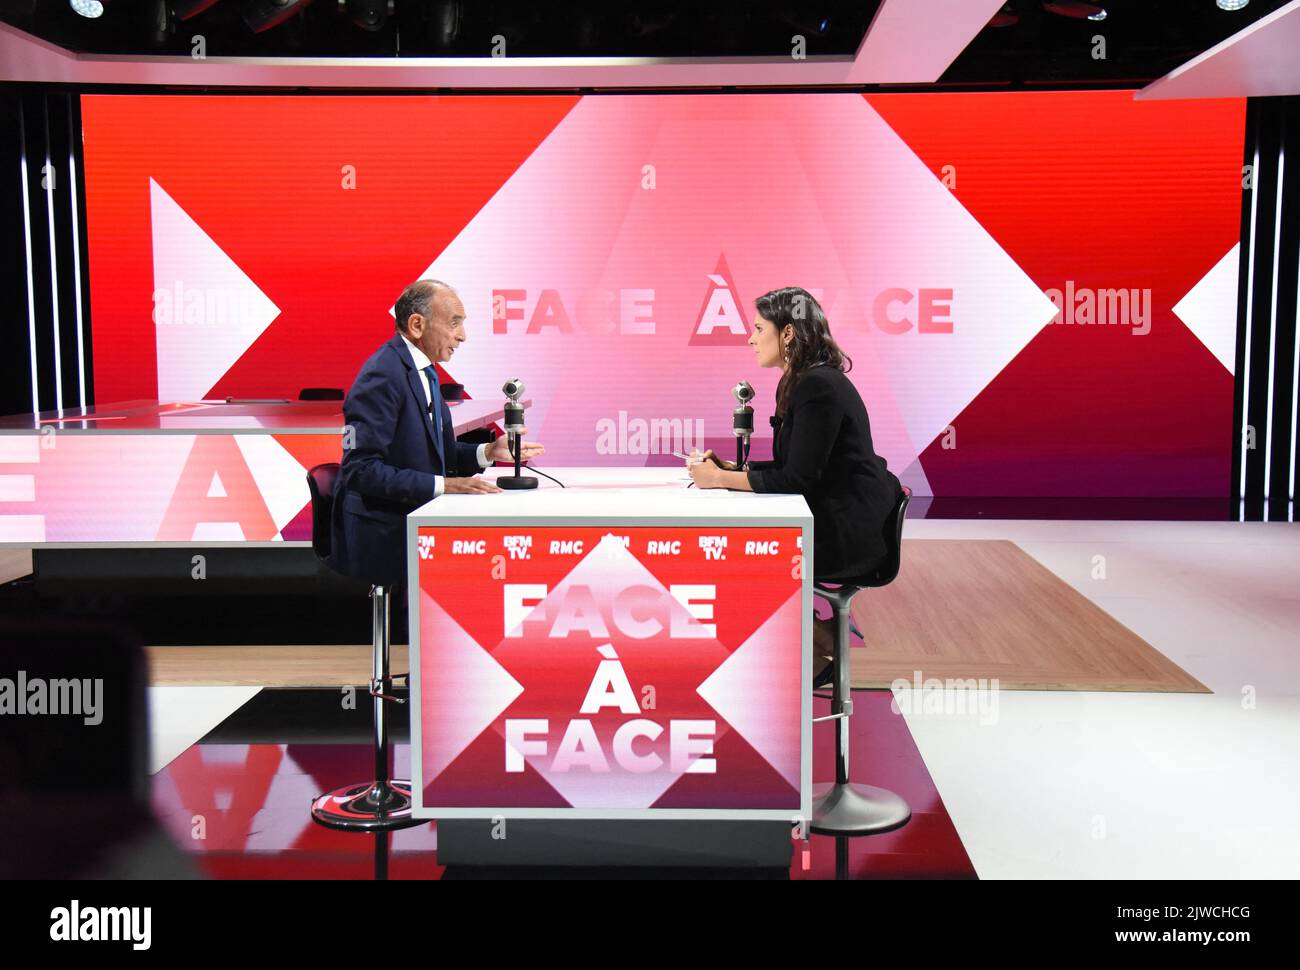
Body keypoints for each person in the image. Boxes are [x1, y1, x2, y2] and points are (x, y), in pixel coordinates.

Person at [686, 286, 900, 687]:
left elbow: (797, 480)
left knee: (743, 561)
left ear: (787, 334)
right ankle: (819, 634)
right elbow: (796, 467)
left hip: (847, 533)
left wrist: (720, 479)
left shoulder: (816, 386)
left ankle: (816, 658)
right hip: (837, 517)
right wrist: (733, 470)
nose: (750, 338)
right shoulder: (804, 380)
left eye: (758, 328)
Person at [329, 279, 544, 628]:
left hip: (415, 516)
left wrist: (488, 451)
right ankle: (435, 673)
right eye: (454, 322)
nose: (463, 336)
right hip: (384, 529)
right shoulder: (382, 377)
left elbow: (434, 455)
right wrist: (445, 485)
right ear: (417, 325)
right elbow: (360, 471)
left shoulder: (423, 372)